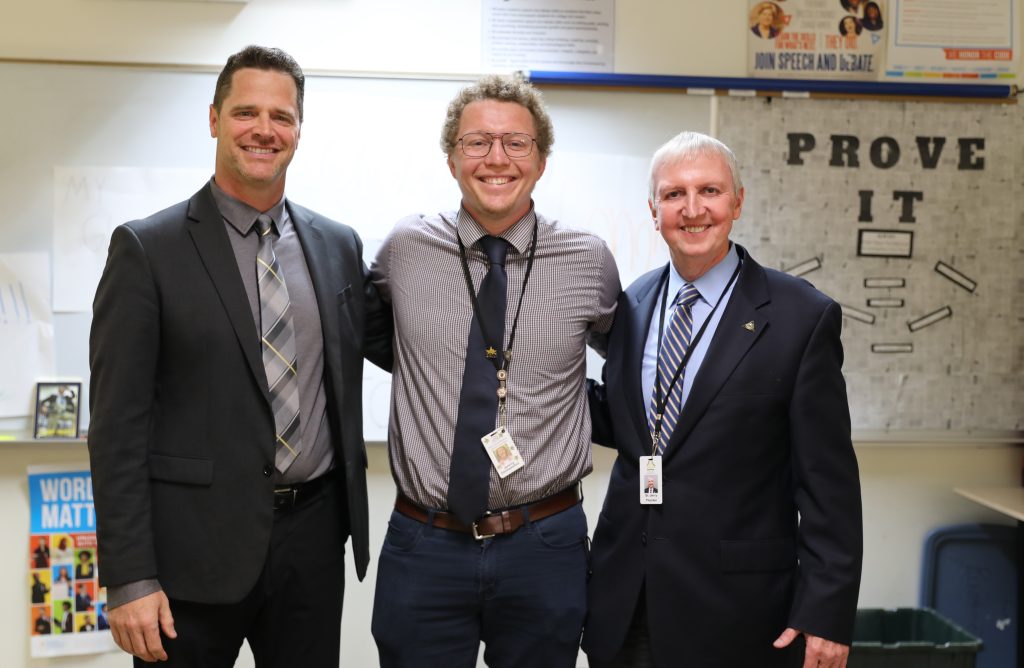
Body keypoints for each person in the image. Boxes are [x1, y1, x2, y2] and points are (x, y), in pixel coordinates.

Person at [87, 44, 392, 666]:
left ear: (299, 129)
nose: (264, 129)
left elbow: (401, 344)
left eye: (281, 116)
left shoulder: (336, 245)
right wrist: (129, 577)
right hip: (188, 558)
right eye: (245, 112)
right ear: (213, 119)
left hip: (311, 542)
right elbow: (117, 430)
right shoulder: (148, 250)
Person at [583, 132, 863, 668]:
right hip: (626, 600)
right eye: (673, 194)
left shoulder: (800, 316)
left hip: (739, 611)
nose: (692, 210)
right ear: (653, 210)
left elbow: (828, 483)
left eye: (709, 191)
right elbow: (631, 422)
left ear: (737, 202)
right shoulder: (633, 303)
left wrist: (826, 612)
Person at [370, 74, 619, 668]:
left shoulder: (587, 259)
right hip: (425, 540)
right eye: (477, 142)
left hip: (545, 542)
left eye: (516, 143)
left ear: (542, 159)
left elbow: (637, 372)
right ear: (452, 157)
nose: (497, 159)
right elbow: (376, 337)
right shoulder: (405, 250)